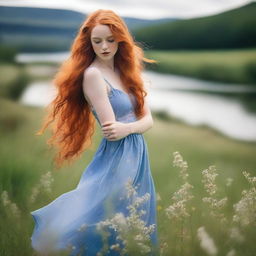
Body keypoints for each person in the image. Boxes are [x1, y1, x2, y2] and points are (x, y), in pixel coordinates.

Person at [30, 9, 159, 256]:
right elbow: (112, 131)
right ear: (88, 43)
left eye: (111, 40)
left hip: (138, 155)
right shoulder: (93, 75)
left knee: (138, 217)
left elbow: (149, 120)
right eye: (97, 41)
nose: (105, 46)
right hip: (118, 156)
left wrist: (129, 127)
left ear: (121, 40)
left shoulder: (127, 72)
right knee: (108, 215)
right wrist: (131, 127)